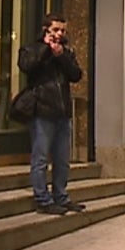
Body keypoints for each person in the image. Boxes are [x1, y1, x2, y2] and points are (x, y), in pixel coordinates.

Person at [18, 13, 84, 215]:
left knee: (62, 159)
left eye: (63, 30)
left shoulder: (66, 52)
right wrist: (47, 51)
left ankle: (61, 196)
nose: (59, 34)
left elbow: (76, 75)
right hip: (43, 111)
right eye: (56, 30)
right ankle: (42, 199)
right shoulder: (32, 49)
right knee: (40, 158)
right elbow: (27, 66)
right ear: (45, 30)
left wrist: (61, 55)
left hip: (62, 112)